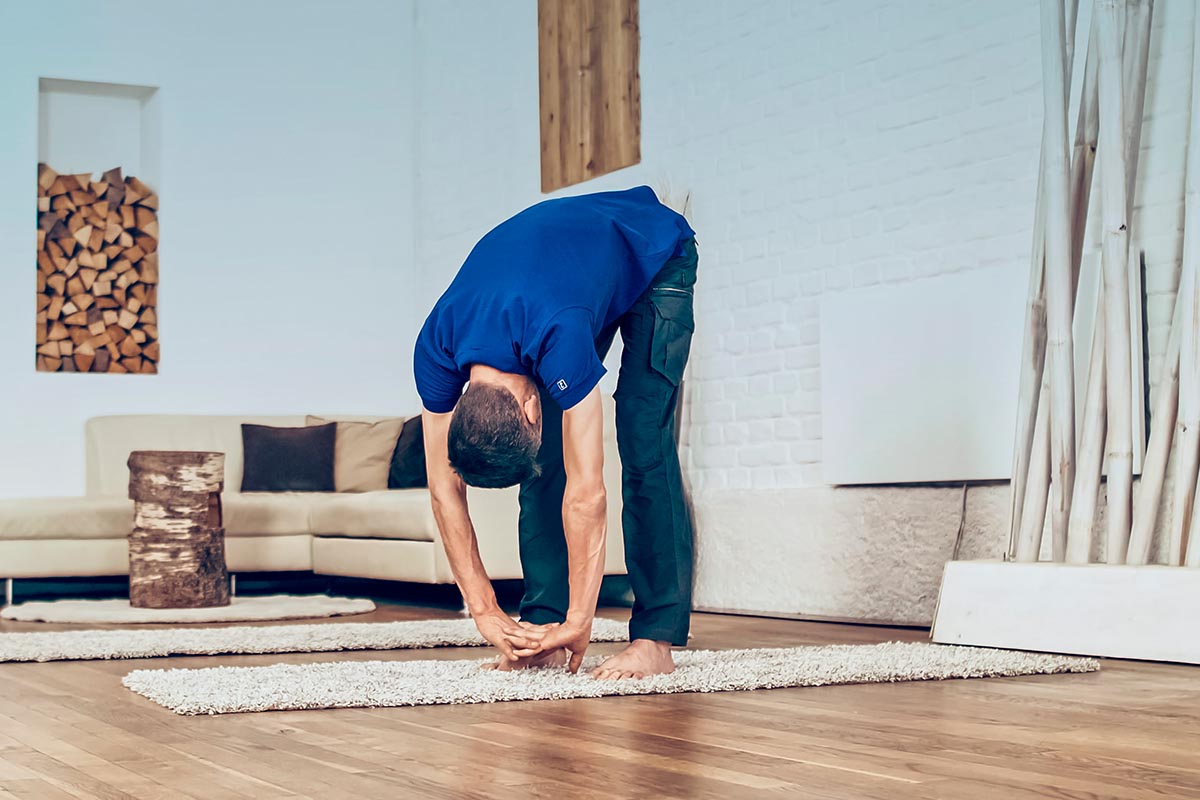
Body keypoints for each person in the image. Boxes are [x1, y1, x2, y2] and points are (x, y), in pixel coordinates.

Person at [414, 185, 697, 680]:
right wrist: (484, 609)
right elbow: (443, 489)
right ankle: (540, 624)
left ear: (527, 405)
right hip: (569, 278)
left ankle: (656, 640)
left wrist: (582, 619)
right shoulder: (436, 345)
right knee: (546, 464)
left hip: (654, 252)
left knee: (643, 439)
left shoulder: (557, 334)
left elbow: (588, 492)